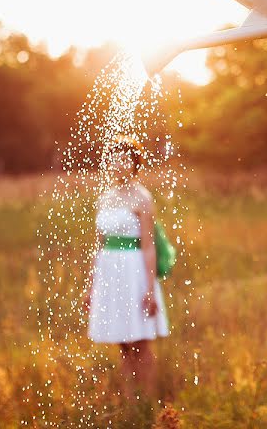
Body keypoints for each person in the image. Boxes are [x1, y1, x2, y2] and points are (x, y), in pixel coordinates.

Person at [85, 137, 169, 397]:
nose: (118, 164)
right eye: (113, 159)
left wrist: (150, 289)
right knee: (122, 339)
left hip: (134, 271)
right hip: (109, 272)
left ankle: (148, 400)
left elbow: (148, 246)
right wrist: (90, 286)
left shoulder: (142, 197)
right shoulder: (104, 198)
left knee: (140, 340)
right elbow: (98, 246)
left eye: (124, 159)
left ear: (134, 164)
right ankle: (130, 398)